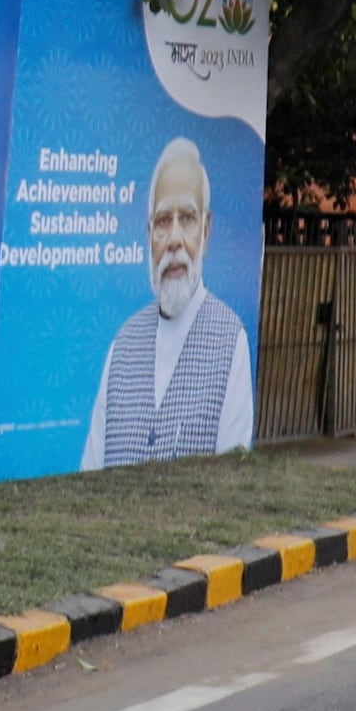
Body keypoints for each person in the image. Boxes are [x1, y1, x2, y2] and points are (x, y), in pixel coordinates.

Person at [86, 137, 256, 465]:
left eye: (187, 219)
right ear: (149, 234)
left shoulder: (230, 340)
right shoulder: (122, 345)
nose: (175, 239)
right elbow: (90, 471)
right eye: (164, 221)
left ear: (205, 232)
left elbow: (229, 479)